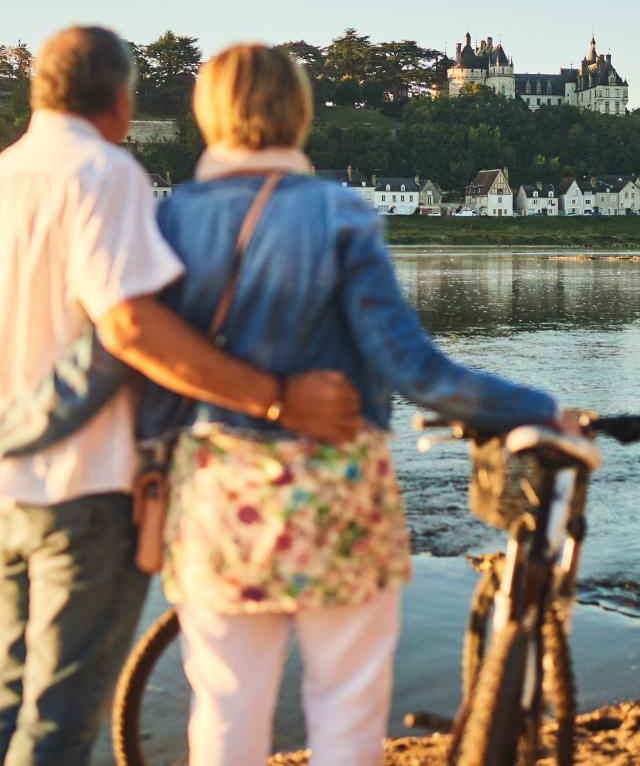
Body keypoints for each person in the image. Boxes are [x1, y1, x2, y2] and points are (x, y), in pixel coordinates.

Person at [128, 43, 579, 766]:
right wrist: (535, 406)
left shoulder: (168, 218)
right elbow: (414, 369)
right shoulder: (341, 214)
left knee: (223, 706)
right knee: (346, 704)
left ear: (206, 114)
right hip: (336, 491)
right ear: (299, 112)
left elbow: (147, 368)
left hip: (219, 491)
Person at [0, 26, 360, 766]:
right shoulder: (105, 173)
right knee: (60, 718)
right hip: (85, 485)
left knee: (7, 701)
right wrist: (279, 399)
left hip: (4, 487)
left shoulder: (4, 175)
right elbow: (130, 325)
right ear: (120, 98)